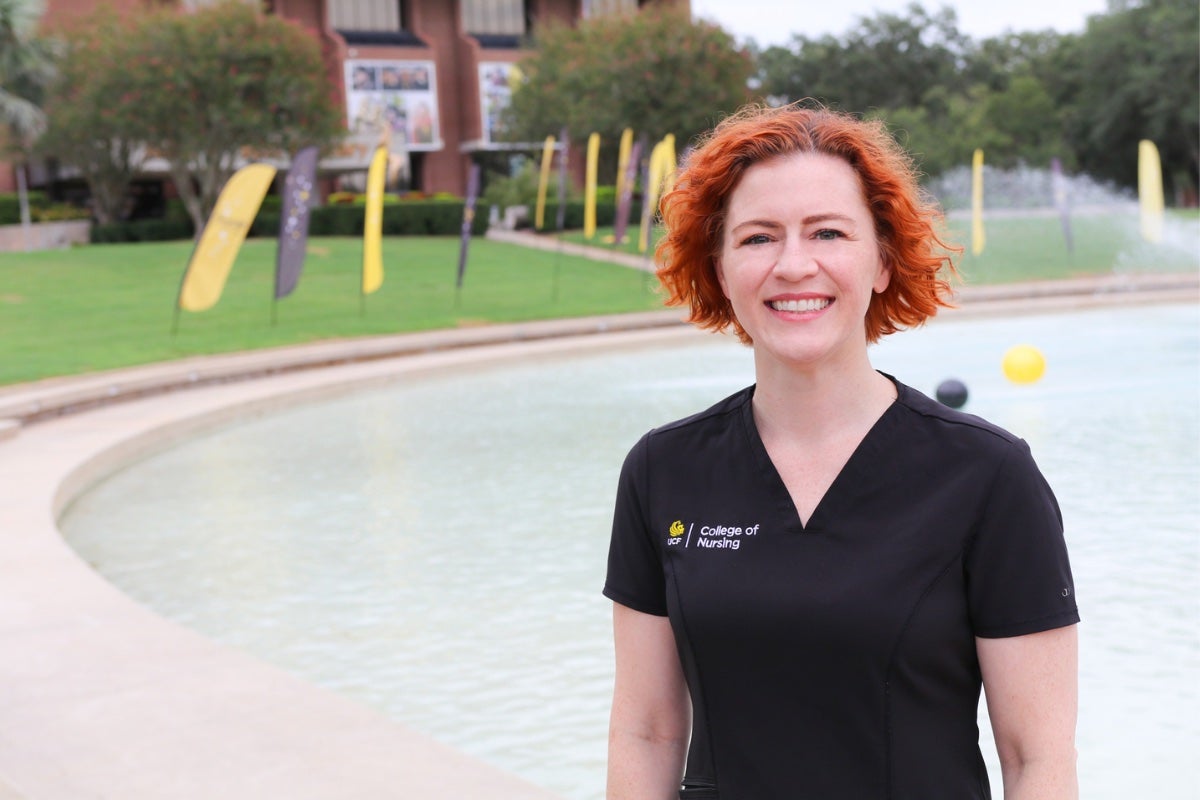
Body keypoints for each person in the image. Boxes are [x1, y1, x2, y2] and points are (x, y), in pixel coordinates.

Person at [603, 104, 1079, 799]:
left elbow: (1037, 758)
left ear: (882, 261)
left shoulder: (989, 477)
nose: (795, 265)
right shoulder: (662, 471)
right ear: (721, 267)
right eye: (759, 238)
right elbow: (646, 732)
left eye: (828, 232)